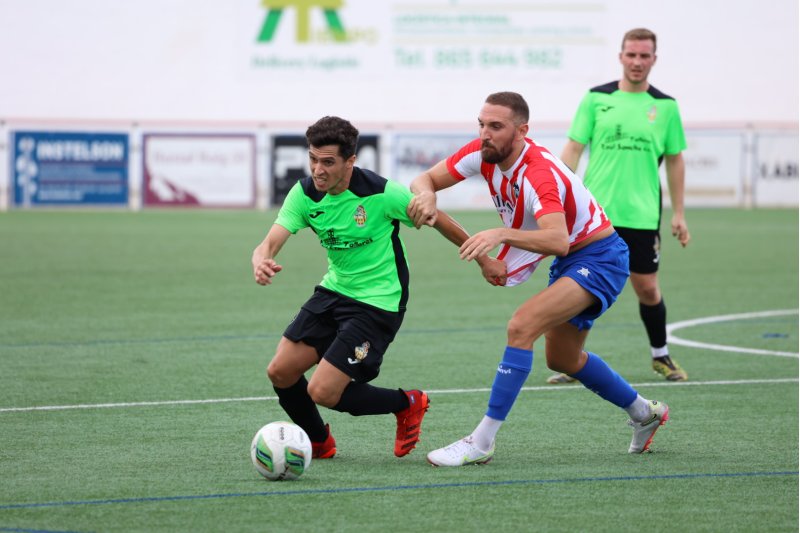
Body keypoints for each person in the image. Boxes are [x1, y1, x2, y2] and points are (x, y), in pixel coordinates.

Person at [408, 92, 670, 466]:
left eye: (496, 126)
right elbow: (423, 179)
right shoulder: (481, 153)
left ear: (521, 131)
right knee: (563, 359)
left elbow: (557, 240)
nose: (485, 133)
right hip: (572, 260)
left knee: (521, 326)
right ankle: (645, 413)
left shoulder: (538, 172)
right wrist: (427, 196)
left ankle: (481, 441)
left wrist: (500, 234)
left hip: (601, 258)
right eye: (481, 124)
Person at [252, 115, 495, 459]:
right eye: (312, 159)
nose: (317, 170)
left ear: (350, 161)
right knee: (280, 371)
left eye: (328, 162)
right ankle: (319, 442)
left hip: (378, 302)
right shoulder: (306, 193)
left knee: (322, 390)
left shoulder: (382, 193)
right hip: (334, 291)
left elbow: (438, 220)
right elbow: (270, 242)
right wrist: (261, 258)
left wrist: (484, 260)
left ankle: (407, 402)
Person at [549, 28, 690, 385]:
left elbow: (675, 160)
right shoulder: (597, 99)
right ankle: (570, 360)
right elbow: (573, 149)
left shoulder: (666, 107)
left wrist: (678, 212)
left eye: (644, 56)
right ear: (621, 57)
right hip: (594, 216)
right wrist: (558, 197)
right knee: (579, 286)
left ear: (653, 60)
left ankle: (661, 356)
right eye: (631, 55)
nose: (637, 62)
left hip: (642, 215)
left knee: (647, 289)